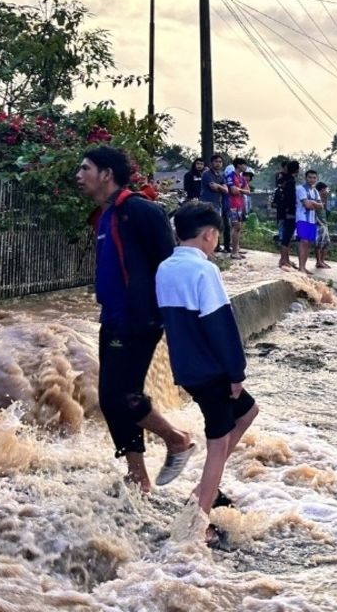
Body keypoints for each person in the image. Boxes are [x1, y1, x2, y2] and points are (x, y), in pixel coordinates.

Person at [76, 145, 194, 492]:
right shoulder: (106, 215)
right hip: (113, 318)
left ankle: (176, 439)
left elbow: (168, 263)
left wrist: (174, 319)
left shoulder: (139, 210)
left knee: (120, 397)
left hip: (138, 320)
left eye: (85, 169)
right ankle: (137, 476)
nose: (78, 176)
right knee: (112, 400)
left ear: (106, 174)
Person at [156, 201, 259, 537]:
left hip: (186, 368)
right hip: (212, 369)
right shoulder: (204, 270)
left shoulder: (165, 268)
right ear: (210, 235)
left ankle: (205, 489)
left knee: (248, 411)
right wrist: (235, 372)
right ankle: (197, 519)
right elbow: (220, 325)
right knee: (218, 443)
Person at [199, 154, 231, 256]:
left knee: (216, 227)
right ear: (212, 163)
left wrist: (219, 186)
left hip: (217, 204)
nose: (218, 164)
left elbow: (226, 190)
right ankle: (206, 250)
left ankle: (214, 248)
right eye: (216, 161)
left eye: (220, 162)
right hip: (206, 204)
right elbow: (213, 187)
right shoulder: (206, 174)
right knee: (206, 226)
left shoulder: (221, 176)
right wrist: (220, 186)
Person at [295, 170, 324, 275]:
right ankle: (301, 267)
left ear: (316, 179)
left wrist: (313, 203)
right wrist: (315, 203)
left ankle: (304, 266)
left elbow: (321, 206)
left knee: (308, 244)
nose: (312, 179)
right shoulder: (300, 189)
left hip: (311, 220)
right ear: (306, 178)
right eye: (310, 177)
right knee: (304, 242)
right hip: (302, 218)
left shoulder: (315, 191)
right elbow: (307, 205)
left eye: (314, 178)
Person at [273, 161, 299, 270]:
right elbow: (290, 198)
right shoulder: (290, 181)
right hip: (289, 213)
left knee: (286, 237)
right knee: (286, 237)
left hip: (282, 212)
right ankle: (283, 260)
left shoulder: (282, 180)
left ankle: (286, 259)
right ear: (297, 170)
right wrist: (290, 212)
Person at [226, 158, 250, 259]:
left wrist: (239, 190)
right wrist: (241, 190)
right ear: (239, 165)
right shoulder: (230, 176)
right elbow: (233, 191)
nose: (245, 167)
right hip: (232, 204)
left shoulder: (241, 178)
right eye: (244, 165)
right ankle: (234, 251)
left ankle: (236, 248)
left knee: (238, 227)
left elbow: (248, 191)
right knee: (236, 227)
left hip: (240, 204)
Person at [313, 182, 333, 270]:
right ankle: (318, 262)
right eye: (325, 189)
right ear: (322, 190)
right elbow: (313, 212)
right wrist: (318, 222)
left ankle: (322, 260)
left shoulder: (323, 199)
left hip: (324, 223)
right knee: (319, 244)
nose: (327, 191)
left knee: (327, 243)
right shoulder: (316, 199)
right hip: (319, 224)